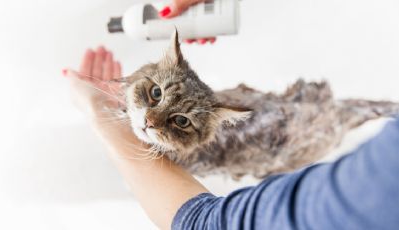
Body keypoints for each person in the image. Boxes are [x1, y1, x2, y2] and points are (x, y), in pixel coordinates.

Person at [63, 1, 399, 229]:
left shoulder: (371, 194)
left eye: (179, 121)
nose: (151, 120)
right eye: (155, 93)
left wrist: (99, 114)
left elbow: (204, 223)